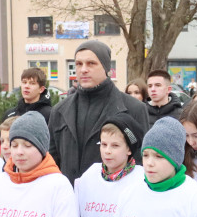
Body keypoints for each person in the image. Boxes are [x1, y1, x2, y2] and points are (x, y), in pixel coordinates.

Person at [48, 40, 149, 182]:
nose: (83, 69)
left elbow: (140, 160)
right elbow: (51, 161)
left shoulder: (133, 108)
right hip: (69, 198)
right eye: (78, 64)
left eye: (91, 63)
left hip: (114, 198)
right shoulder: (59, 110)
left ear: (106, 67)